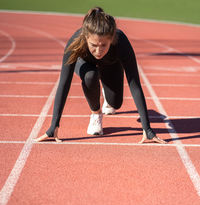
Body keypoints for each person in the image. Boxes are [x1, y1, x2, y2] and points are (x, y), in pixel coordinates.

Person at [35, 7, 166, 144]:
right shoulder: (75, 42)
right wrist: (53, 126)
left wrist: (147, 129)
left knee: (116, 103)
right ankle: (96, 113)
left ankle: (105, 88)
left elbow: (135, 85)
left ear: (112, 39)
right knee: (90, 76)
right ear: (85, 38)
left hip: (110, 63)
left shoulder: (121, 42)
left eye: (104, 45)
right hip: (85, 63)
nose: (98, 51)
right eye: (93, 45)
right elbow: (64, 83)